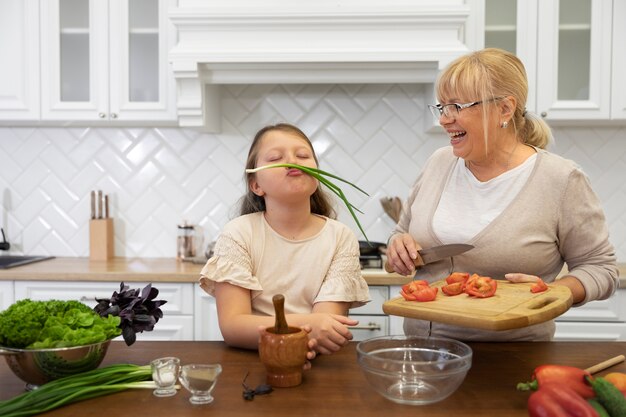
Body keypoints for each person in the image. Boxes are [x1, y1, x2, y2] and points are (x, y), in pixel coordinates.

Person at [386, 48, 619, 341]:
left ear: (505, 109)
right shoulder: (439, 163)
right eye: (442, 107)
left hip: (512, 358)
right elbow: (400, 233)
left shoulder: (561, 179)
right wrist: (398, 246)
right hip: (425, 352)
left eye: (457, 106)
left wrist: (559, 291)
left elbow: (601, 269)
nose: (444, 119)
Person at [199, 123, 370, 357]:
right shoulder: (238, 233)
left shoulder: (340, 237)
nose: (293, 161)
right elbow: (233, 326)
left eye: (302, 155)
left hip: (315, 360)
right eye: (275, 157)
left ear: (317, 177)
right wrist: (306, 328)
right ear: (256, 185)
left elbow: (326, 327)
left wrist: (307, 332)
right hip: (255, 360)